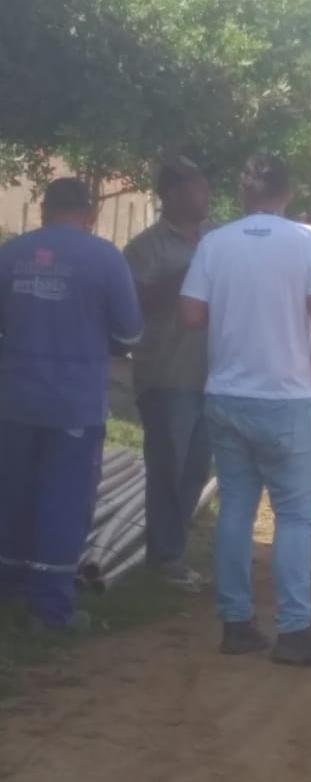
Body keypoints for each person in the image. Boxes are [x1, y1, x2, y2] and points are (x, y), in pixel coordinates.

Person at [180, 154, 311, 666]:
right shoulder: (308, 242)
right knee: (295, 516)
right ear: (287, 193)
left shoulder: (214, 242)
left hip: (227, 394)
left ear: (244, 194)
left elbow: (190, 314)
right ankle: (294, 630)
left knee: (235, 509)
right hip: (285, 396)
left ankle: (236, 624)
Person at [0, 178, 143, 631]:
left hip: (14, 400)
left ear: (44, 210)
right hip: (73, 404)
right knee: (63, 499)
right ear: (90, 212)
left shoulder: (10, 254)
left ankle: (8, 586)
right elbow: (131, 334)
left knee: (13, 494)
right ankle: (51, 607)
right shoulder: (104, 258)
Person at [125, 156, 212, 591]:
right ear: (173, 194)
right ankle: (166, 556)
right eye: (198, 187)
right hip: (166, 374)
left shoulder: (216, 240)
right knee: (168, 465)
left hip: (211, 375)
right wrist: (191, 273)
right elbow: (135, 306)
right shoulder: (146, 248)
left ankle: (171, 549)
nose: (207, 195)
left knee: (197, 467)